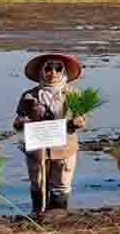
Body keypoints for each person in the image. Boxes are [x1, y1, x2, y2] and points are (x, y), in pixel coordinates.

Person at [12, 53, 87, 214]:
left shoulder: (74, 94)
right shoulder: (29, 96)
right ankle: (38, 214)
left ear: (64, 72)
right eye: (48, 68)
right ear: (41, 71)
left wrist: (78, 122)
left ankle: (58, 217)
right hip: (37, 149)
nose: (53, 73)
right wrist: (22, 123)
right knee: (38, 183)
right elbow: (17, 122)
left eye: (58, 68)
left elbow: (82, 119)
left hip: (64, 148)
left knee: (61, 184)